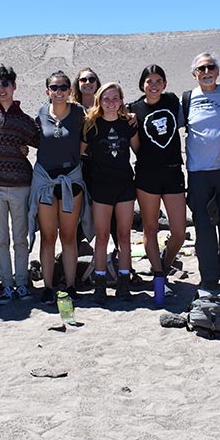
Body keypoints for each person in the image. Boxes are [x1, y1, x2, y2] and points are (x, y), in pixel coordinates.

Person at [0, 65, 40, 304]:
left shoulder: (25, 121)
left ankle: (22, 283)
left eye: (5, 84)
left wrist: (25, 149)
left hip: (21, 185)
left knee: (20, 238)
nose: (1, 89)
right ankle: (7, 285)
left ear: (14, 86)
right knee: (0, 239)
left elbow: (42, 144)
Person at [183, 52, 220, 291]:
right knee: (203, 228)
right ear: (194, 74)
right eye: (201, 69)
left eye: (210, 67)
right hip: (198, 172)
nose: (206, 72)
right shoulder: (187, 99)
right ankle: (208, 279)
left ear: (217, 71)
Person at [29, 71, 90, 304]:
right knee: (47, 236)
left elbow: (87, 137)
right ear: (48, 91)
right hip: (45, 181)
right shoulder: (41, 114)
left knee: (68, 235)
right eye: (54, 88)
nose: (59, 91)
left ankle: (71, 284)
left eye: (64, 87)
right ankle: (48, 286)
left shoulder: (79, 114)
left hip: (70, 181)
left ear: (69, 90)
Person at [130, 64, 187, 302]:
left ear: (165, 84)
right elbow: (135, 146)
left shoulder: (173, 101)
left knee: (179, 231)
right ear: (142, 85)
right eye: (149, 81)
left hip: (173, 173)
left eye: (158, 81)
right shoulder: (133, 109)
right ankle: (158, 274)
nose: (153, 85)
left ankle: (165, 262)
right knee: (150, 228)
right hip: (147, 176)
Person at [81, 82, 138, 300]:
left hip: (124, 185)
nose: (111, 103)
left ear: (121, 100)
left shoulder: (128, 124)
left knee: (124, 235)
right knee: (102, 236)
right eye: (106, 98)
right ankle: (100, 284)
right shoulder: (91, 125)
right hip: (101, 187)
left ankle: (124, 282)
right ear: (99, 101)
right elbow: (80, 153)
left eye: (115, 98)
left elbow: (138, 150)